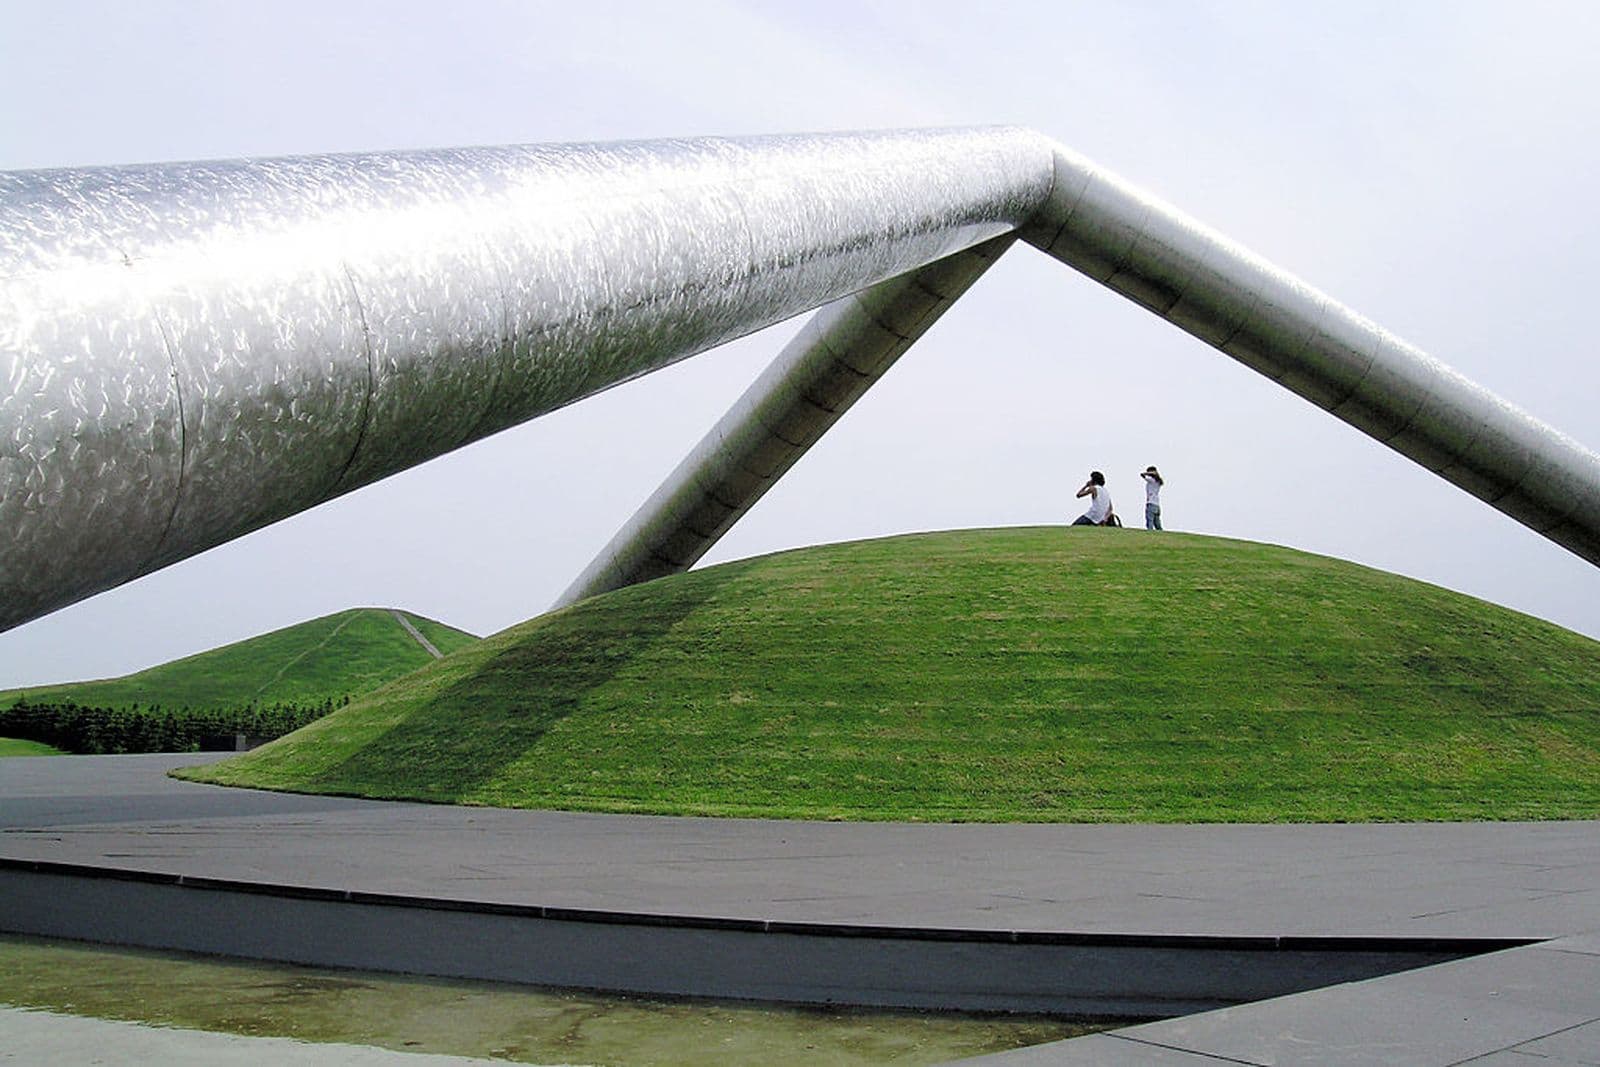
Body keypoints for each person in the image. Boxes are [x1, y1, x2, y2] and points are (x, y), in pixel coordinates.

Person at [1140, 465, 1164, 530]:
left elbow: (1142, 475)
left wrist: (1148, 473)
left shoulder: (1151, 480)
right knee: (1157, 524)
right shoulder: (1158, 481)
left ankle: (1150, 535)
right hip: (1157, 505)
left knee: (1149, 522)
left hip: (1151, 504)